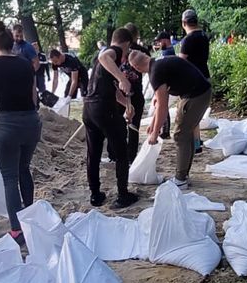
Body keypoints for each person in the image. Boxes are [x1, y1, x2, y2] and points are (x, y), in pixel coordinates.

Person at [0, 21, 43, 242]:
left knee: (9, 178)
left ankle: (17, 229)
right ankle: (30, 216)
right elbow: (34, 97)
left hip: (7, 124)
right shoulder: (26, 64)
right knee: (24, 169)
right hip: (31, 122)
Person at [132, 50, 212, 188]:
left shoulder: (155, 72)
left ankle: (181, 179)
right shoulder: (159, 63)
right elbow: (159, 101)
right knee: (185, 133)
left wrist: (155, 134)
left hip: (196, 95)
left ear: (137, 68)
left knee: (181, 135)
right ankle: (183, 175)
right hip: (198, 92)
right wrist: (153, 122)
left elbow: (163, 107)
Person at [83, 27, 141, 209]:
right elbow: (104, 57)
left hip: (89, 109)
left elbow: (112, 90)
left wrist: (127, 104)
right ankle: (123, 195)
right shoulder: (113, 52)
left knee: (93, 153)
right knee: (121, 150)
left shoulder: (103, 64)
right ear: (126, 44)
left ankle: (95, 194)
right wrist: (122, 78)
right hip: (103, 110)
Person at [177, 9, 211, 152]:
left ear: (184, 23)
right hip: (205, 75)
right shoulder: (204, 36)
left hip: (192, 80)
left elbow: (180, 62)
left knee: (189, 115)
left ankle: (194, 144)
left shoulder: (188, 40)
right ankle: (197, 142)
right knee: (196, 115)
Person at [122, 23, 150, 156]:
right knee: (134, 125)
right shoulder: (143, 50)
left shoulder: (118, 50)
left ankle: (116, 154)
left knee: (119, 123)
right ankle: (131, 155)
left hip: (121, 91)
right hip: (135, 90)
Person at [11, 23, 43, 92]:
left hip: (26, 79)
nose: (19, 38)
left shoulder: (28, 47)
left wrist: (28, 75)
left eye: (21, 36)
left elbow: (36, 64)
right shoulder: (9, 46)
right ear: (12, 33)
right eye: (17, 36)